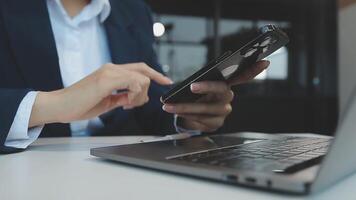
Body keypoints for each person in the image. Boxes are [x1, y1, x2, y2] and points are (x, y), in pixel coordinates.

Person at [0, 0, 269, 154]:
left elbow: (150, 99)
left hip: (116, 168)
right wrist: (51, 105)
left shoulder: (133, 10)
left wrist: (186, 112)